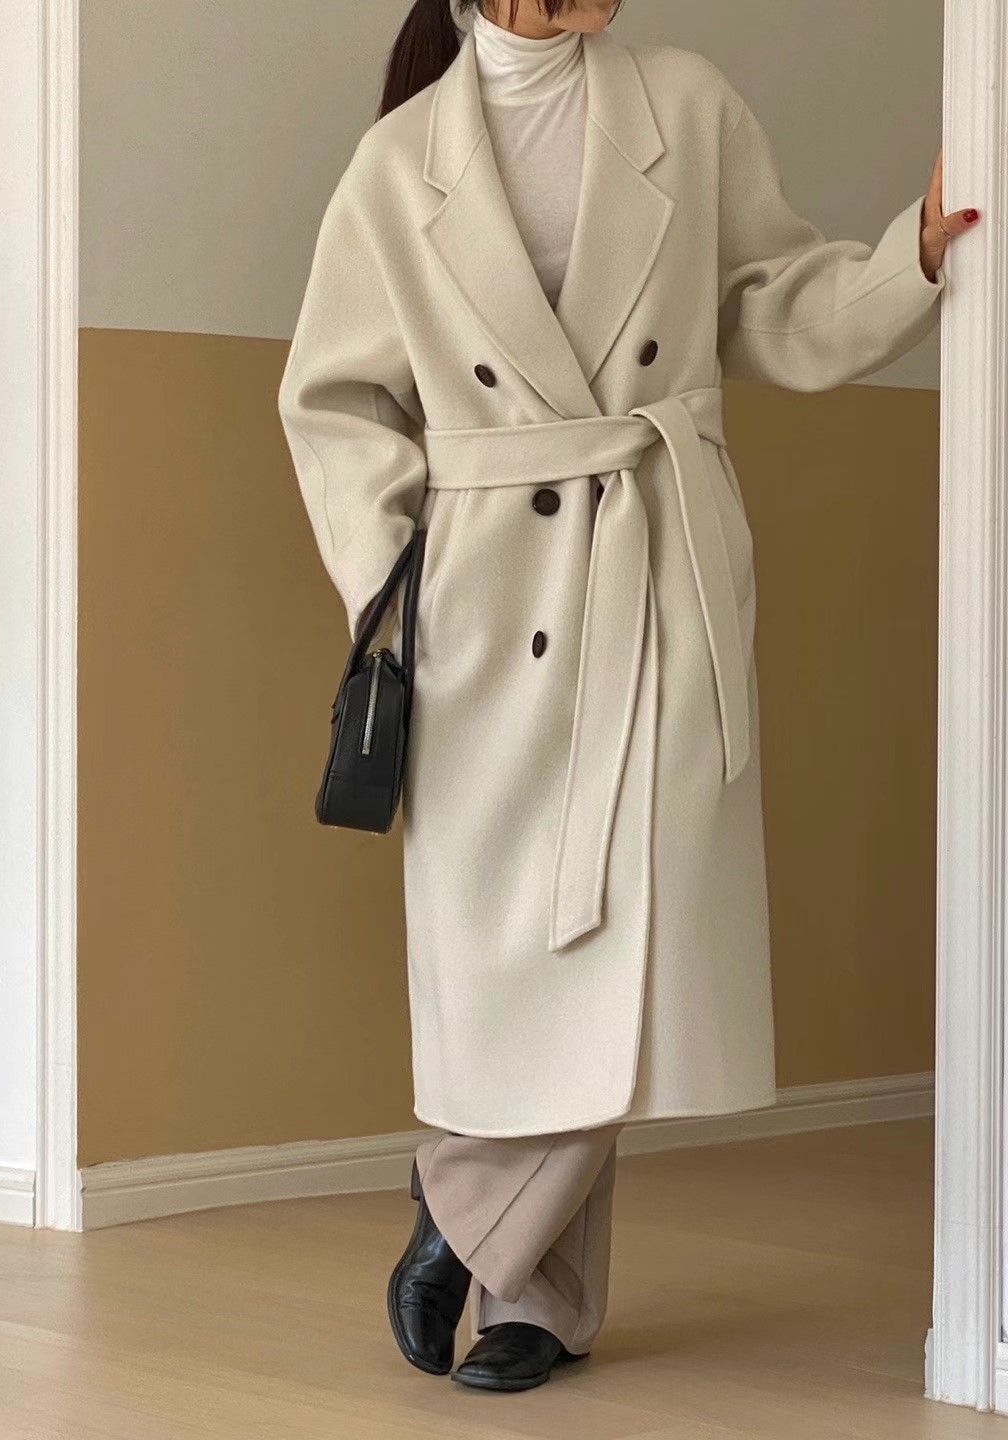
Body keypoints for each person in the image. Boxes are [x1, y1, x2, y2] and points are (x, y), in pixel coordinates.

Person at [278, 0, 977, 1395]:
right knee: (511, 957)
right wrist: (397, 579)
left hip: (654, 573)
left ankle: (463, 1207)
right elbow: (335, 402)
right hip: (484, 601)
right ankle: (531, 1300)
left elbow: (768, 301)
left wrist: (908, 254)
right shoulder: (400, 162)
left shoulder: (685, 105)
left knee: (632, 933)